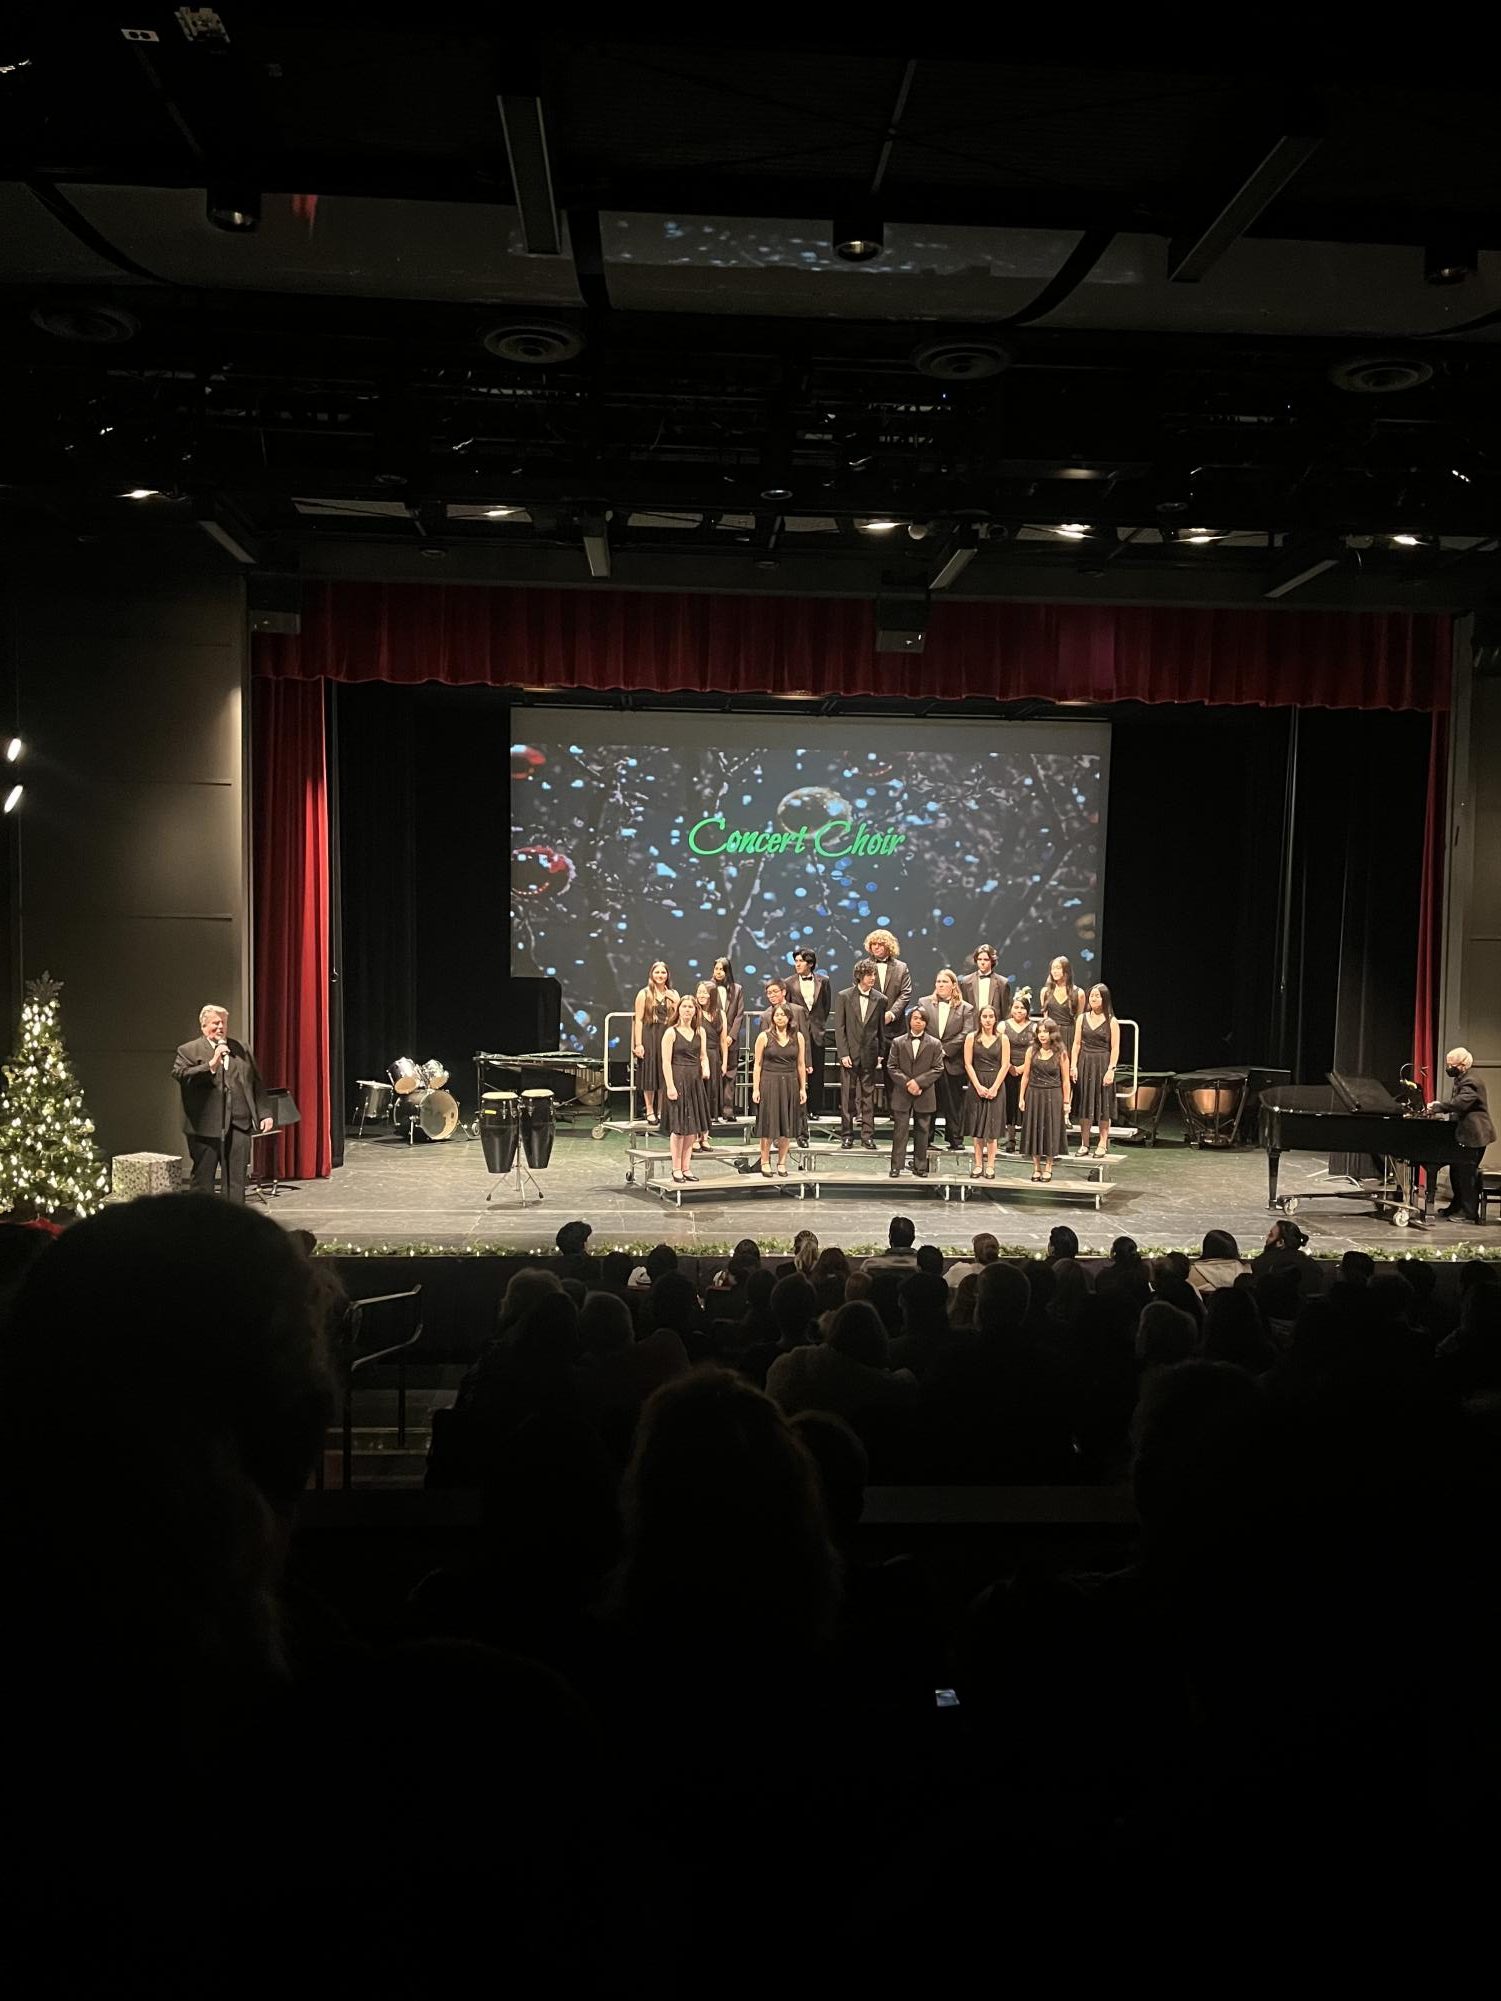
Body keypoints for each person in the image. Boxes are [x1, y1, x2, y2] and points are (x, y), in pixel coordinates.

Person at [172, 1003, 274, 1204]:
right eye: (215, 1023)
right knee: (204, 1181)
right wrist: (211, 1064)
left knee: (236, 1180)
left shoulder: (241, 1049)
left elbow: (256, 1083)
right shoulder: (189, 1050)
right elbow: (180, 1074)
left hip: (239, 1124)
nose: (220, 1027)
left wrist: (265, 1113)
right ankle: (203, 1224)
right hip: (205, 1127)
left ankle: (234, 1223)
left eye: (223, 1023)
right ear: (203, 1026)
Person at [1428, 1045, 1495, 1223]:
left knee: (1466, 1174)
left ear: (1463, 1065)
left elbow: (1461, 1103)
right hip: (1466, 1134)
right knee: (1456, 1172)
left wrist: (1438, 1106)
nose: (1449, 1068)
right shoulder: (1462, 1078)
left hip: (1475, 1135)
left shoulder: (1471, 1081)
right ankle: (1456, 1206)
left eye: (1452, 1065)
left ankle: (1469, 1212)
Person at [885, 1005, 943, 1178]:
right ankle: (896, 1166)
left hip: (924, 1093)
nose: (918, 1021)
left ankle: (920, 1166)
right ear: (910, 1020)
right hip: (903, 1093)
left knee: (923, 1131)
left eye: (921, 1019)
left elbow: (938, 1068)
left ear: (926, 1022)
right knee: (900, 1131)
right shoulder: (898, 1041)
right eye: (915, 1018)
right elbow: (892, 1066)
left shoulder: (934, 1043)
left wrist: (918, 1083)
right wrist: (908, 1083)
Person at [918, 968, 973, 1152]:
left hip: (952, 1063)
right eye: (938, 981)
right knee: (928, 1103)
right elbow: (920, 1028)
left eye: (944, 982)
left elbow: (966, 1032)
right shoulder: (924, 1003)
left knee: (953, 1103)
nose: (940, 985)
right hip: (929, 1063)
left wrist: (945, 1049)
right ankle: (926, 1139)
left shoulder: (966, 1008)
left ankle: (955, 1139)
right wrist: (934, 1049)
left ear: (953, 985)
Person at [660, 994, 711, 1186]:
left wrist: (705, 1067)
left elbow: (703, 1056)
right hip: (678, 1078)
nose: (687, 1010)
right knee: (679, 1128)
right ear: (678, 1009)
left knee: (692, 1129)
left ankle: (686, 1167)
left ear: (695, 1011)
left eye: (691, 1007)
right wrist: (670, 1086)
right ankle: (676, 1168)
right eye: (684, 1006)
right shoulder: (671, 1033)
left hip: (694, 1081)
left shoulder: (700, 1032)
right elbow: (665, 1062)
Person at [833, 959, 883, 1151]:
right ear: (860, 976)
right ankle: (847, 1135)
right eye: (870, 974)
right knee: (847, 1096)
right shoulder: (844, 996)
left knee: (868, 1097)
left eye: (874, 975)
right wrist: (843, 1053)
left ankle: (868, 1136)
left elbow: (880, 1031)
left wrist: (880, 1054)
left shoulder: (880, 999)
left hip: (870, 1055)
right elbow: (840, 1028)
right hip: (850, 1055)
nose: (873, 978)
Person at [752, 1002, 806, 1178]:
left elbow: (801, 1064)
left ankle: (782, 1162)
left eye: (783, 1014)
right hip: (769, 1081)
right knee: (768, 1125)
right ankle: (765, 1161)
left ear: (789, 1017)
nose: (780, 1017)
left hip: (790, 1082)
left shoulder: (798, 1037)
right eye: (777, 1015)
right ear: (772, 1018)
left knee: (786, 1125)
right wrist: (755, 1089)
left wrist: (802, 1088)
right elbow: (757, 1065)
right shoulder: (764, 1037)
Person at [1071, 982, 1120, 1159]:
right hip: (1085, 1062)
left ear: (1104, 998)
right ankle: (1084, 1143)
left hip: (1102, 1062)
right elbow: (1076, 1044)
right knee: (1085, 1103)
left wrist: (1111, 1070)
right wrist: (1073, 1065)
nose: (1093, 998)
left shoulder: (1111, 1021)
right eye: (1091, 995)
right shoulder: (1082, 1018)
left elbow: (1115, 1048)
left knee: (1102, 1104)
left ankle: (1102, 1143)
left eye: (1097, 995)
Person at [1019, 1016, 1070, 1183]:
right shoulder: (1031, 1051)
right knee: (1034, 1129)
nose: (1042, 1035)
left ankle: (1048, 1167)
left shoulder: (1060, 1053)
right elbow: (1025, 1076)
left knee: (1050, 1130)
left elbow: (1065, 1080)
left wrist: (1066, 1102)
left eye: (1046, 1032)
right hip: (1034, 1094)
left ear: (1052, 1034)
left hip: (1053, 1095)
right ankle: (1036, 1168)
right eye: (1040, 1032)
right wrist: (1021, 1097)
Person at [963, 1004, 1007, 1179]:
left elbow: (1005, 1065)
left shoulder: (1003, 1039)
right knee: (978, 1127)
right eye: (984, 1016)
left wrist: (995, 1087)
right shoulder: (971, 1038)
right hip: (977, 1083)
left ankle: (990, 1165)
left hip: (995, 1083)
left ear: (995, 1019)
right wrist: (978, 1086)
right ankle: (978, 1164)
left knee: (992, 1127)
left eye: (991, 1016)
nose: (988, 1020)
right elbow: (968, 1064)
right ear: (979, 1019)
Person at [632, 961, 678, 1123]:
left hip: (666, 1036)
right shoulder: (644, 994)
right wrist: (638, 1044)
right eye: (657, 972)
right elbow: (637, 1020)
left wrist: (675, 1001)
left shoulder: (672, 993)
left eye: (663, 972)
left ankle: (661, 1110)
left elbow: (680, 1015)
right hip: (649, 1036)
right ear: (652, 974)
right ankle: (650, 1110)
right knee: (649, 1075)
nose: (660, 975)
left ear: (667, 975)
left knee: (664, 1074)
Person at [790, 949, 832, 1116]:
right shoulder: (789, 982)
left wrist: (818, 1024)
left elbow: (826, 1006)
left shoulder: (824, 981)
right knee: (796, 1071)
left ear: (811, 964)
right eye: (796, 961)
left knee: (816, 1072)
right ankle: (796, 1108)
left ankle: (814, 1108)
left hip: (816, 1033)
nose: (797, 965)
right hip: (796, 1033)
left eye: (800, 961)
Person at [693, 980, 730, 1154]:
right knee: (697, 1098)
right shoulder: (694, 1012)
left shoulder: (720, 1013)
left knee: (709, 1097)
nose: (701, 995)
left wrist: (724, 1062)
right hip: (697, 1056)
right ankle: (693, 1137)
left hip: (714, 1056)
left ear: (712, 995)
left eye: (705, 992)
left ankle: (705, 1137)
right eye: (699, 992)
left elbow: (723, 1040)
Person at [999, 993, 1034, 1155]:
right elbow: (997, 1048)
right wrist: (1010, 1067)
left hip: (1028, 1070)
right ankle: (1010, 1138)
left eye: (1022, 1008)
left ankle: (1027, 1140)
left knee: (1026, 1104)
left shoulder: (1034, 1027)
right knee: (1010, 1104)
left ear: (1027, 1010)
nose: (1019, 1010)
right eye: (1016, 1007)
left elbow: (1036, 1051)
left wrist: (1023, 1068)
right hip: (1007, 1070)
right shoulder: (1002, 1026)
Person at [863, 928, 912, 1040]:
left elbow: (906, 993)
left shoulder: (901, 967)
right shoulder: (863, 966)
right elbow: (859, 993)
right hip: (870, 1026)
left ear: (889, 946)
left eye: (880, 944)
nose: (876, 947)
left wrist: (891, 1014)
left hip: (895, 1028)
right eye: (873, 944)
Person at [711, 957, 744, 1119]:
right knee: (713, 1074)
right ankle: (713, 1110)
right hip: (712, 1038)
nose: (718, 972)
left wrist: (731, 1036)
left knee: (730, 1074)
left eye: (721, 969)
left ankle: (728, 1109)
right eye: (716, 969)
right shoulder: (708, 988)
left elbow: (739, 1015)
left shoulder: (737, 989)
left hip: (731, 1040)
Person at [1039, 955, 1084, 1044]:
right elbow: (1045, 1019)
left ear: (1066, 971)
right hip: (1051, 1035)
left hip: (1069, 1035)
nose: (1054, 971)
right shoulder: (1045, 992)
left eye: (1058, 968)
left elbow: (1079, 1020)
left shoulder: (1079, 993)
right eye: (1053, 968)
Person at [960, 944, 1009, 1023]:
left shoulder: (1002, 983)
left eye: (986, 959)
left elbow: (1005, 1012)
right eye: (979, 959)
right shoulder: (966, 981)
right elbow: (963, 1010)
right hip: (972, 1029)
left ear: (992, 961)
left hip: (994, 1030)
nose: (982, 962)